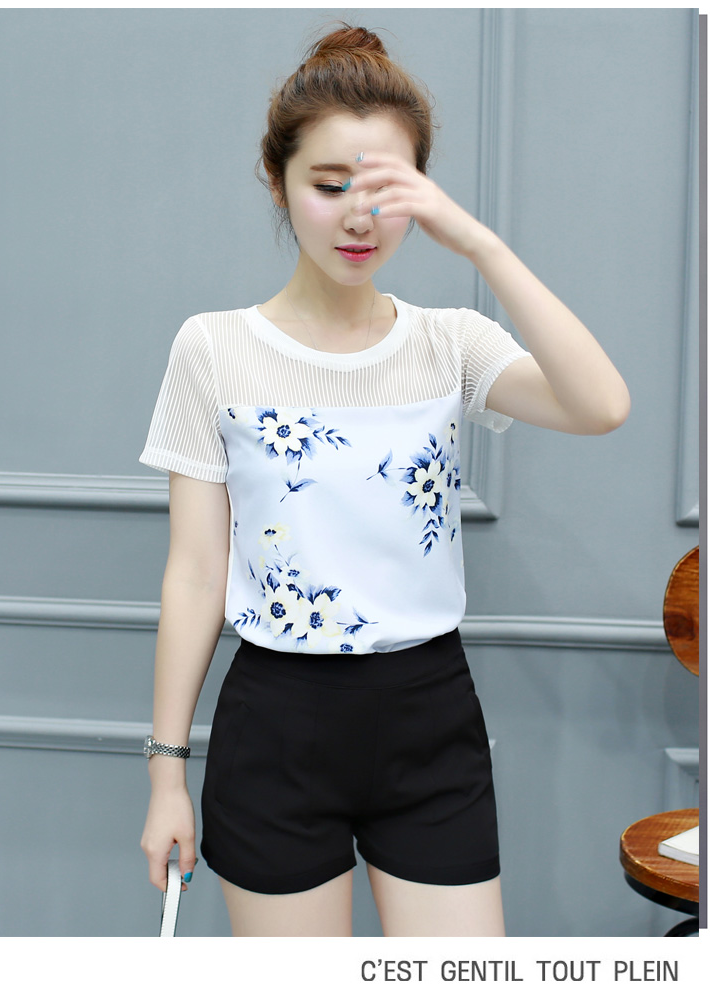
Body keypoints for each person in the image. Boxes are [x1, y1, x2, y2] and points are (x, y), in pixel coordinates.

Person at [139, 24, 630, 937]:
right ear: (278, 180)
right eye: (330, 186)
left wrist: (477, 242)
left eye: (386, 192)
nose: (358, 218)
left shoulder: (450, 343)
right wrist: (167, 772)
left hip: (429, 717)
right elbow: (197, 574)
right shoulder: (212, 349)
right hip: (276, 725)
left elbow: (601, 404)